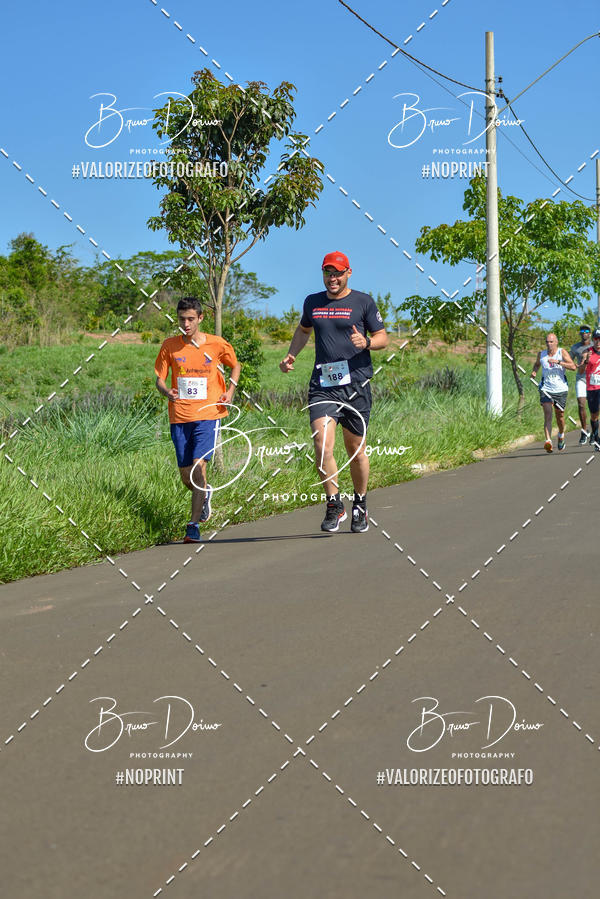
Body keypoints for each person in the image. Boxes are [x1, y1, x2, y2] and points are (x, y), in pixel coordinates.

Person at [279, 251, 388, 533]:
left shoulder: (363, 302)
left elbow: (383, 337)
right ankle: (334, 503)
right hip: (323, 385)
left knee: (356, 450)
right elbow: (304, 331)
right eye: (328, 273)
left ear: (348, 273)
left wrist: (366, 342)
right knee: (321, 444)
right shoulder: (313, 302)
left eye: (338, 273)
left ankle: (360, 504)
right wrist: (292, 355)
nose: (333, 278)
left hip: (356, 385)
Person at [155, 297, 241, 542]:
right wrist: (166, 391)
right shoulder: (169, 345)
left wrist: (230, 392)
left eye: (191, 319)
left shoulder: (216, 344)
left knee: (197, 468)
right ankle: (205, 494)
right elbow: (160, 379)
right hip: (179, 416)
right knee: (185, 476)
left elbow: (235, 365)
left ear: (201, 318)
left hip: (208, 415)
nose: (186, 323)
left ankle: (193, 525)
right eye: (182, 319)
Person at [530, 332, 576, 453]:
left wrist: (558, 362)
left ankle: (561, 435)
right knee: (548, 413)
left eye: (551, 342)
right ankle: (548, 441)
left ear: (556, 342)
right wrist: (534, 372)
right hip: (546, 388)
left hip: (560, 389)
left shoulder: (562, 352)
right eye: (547, 342)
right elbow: (536, 364)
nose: (549, 344)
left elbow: (573, 366)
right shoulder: (542, 354)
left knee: (560, 416)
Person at [577, 327, 600, 452]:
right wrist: (586, 361)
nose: (598, 342)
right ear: (593, 339)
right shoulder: (587, 352)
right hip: (592, 388)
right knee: (594, 415)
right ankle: (595, 436)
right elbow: (580, 371)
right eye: (596, 339)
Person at [569, 325, 592, 444]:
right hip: (581, 378)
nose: (584, 333)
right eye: (582, 331)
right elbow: (569, 360)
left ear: (590, 333)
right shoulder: (575, 347)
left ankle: (595, 431)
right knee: (581, 404)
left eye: (586, 331)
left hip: (594, 379)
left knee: (595, 407)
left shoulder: (595, 346)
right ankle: (584, 431)